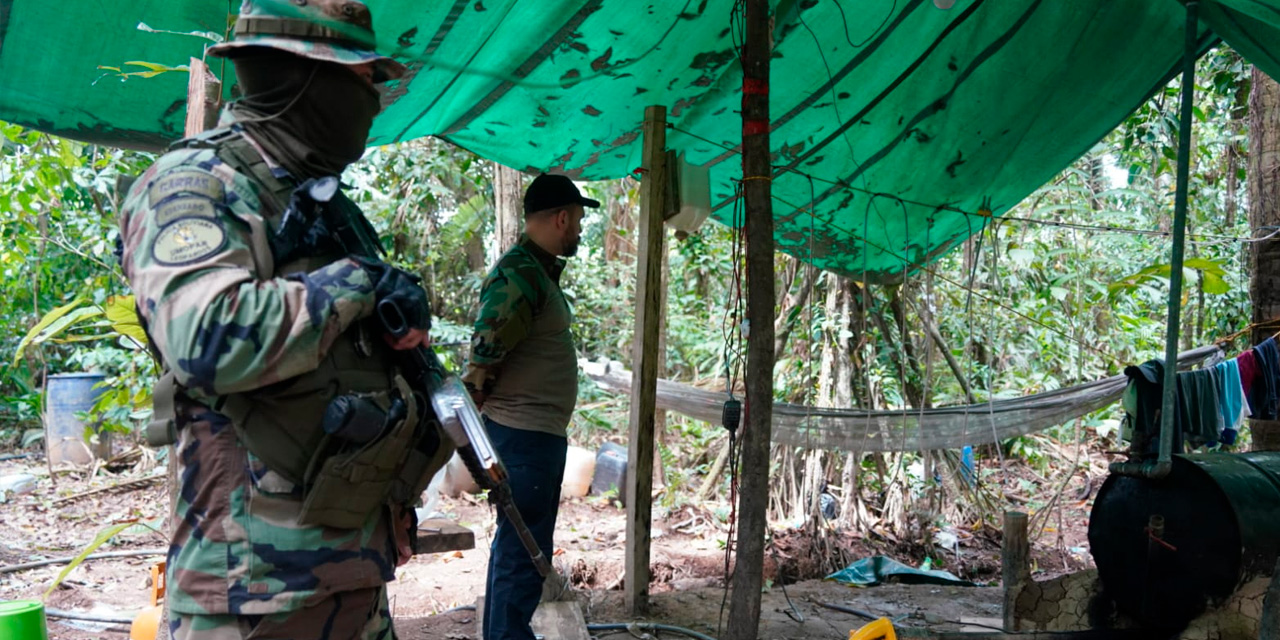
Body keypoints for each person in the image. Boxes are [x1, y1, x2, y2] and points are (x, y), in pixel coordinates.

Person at [115, 1, 453, 638]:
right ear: (305, 78)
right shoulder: (196, 185)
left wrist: (394, 501)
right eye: (363, 81)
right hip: (249, 596)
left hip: (351, 570)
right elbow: (206, 339)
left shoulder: (323, 201)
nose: (374, 101)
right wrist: (357, 282)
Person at [463, 174, 597, 640]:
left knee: (519, 548)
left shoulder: (534, 272)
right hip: (522, 437)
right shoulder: (519, 274)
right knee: (523, 553)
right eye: (578, 220)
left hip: (533, 435)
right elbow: (483, 360)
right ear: (561, 218)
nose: (579, 230)